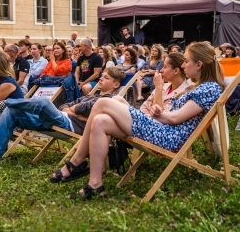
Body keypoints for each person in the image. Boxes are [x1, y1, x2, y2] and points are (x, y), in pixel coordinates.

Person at [49, 41, 225, 198]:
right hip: (162, 130)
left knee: (104, 102)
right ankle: (95, 184)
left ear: (199, 64)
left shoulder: (208, 89)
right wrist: (158, 112)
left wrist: (159, 114)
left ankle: (76, 162)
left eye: (186, 61)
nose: (184, 65)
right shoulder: (203, 87)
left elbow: (175, 118)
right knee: (100, 121)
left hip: (167, 137)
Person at [0, 67, 126, 169]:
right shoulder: (91, 96)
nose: (101, 78)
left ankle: (8, 102)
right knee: (11, 112)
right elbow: (65, 106)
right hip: (59, 118)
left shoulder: (110, 102)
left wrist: (74, 111)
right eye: (102, 75)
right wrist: (76, 112)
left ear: (116, 84)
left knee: (43, 102)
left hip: (68, 125)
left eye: (106, 77)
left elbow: (81, 110)